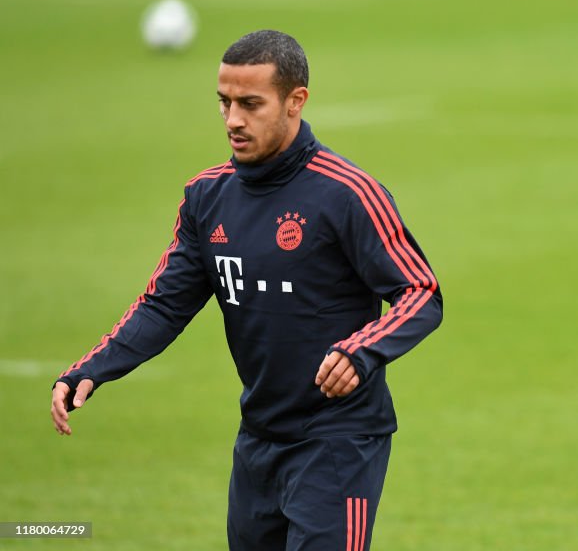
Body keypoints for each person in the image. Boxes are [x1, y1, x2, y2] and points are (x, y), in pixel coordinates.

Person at [50, 30, 442, 550]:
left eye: (250, 104)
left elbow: (421, 292)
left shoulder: (347, 194)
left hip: (339, 442)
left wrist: (362, 350)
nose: (233, 119)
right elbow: (164, 304)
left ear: (295, 101)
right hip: (258, 440)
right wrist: (94, 368)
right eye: (224, 102)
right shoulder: (206, 196)